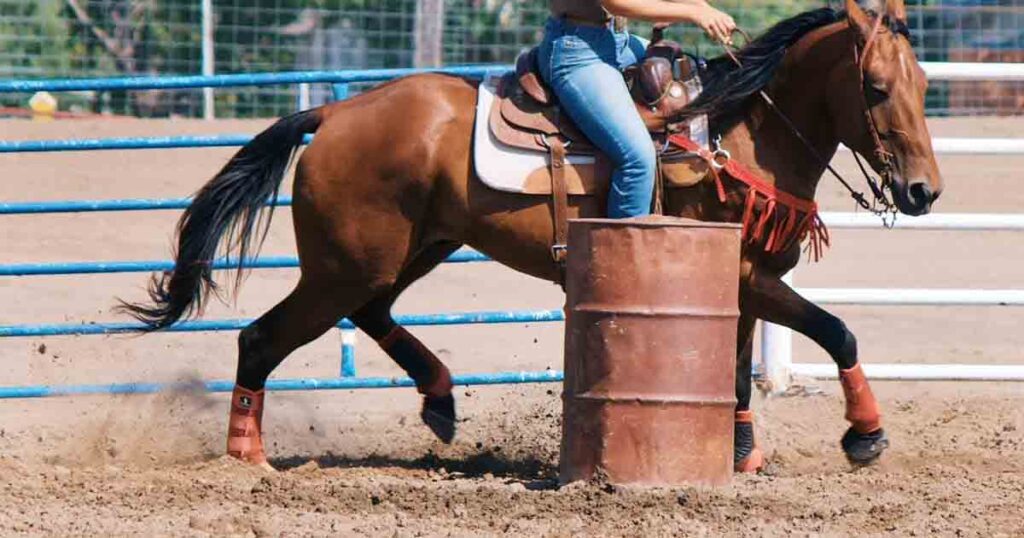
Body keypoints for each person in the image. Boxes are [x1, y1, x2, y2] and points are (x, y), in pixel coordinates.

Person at [539, 0, 736, 218]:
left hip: (617, 42)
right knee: (638, 160)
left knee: (690, 70)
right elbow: (615, 3)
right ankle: (627, 238)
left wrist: (705, 9)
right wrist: (693, 13)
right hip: (578, 54)